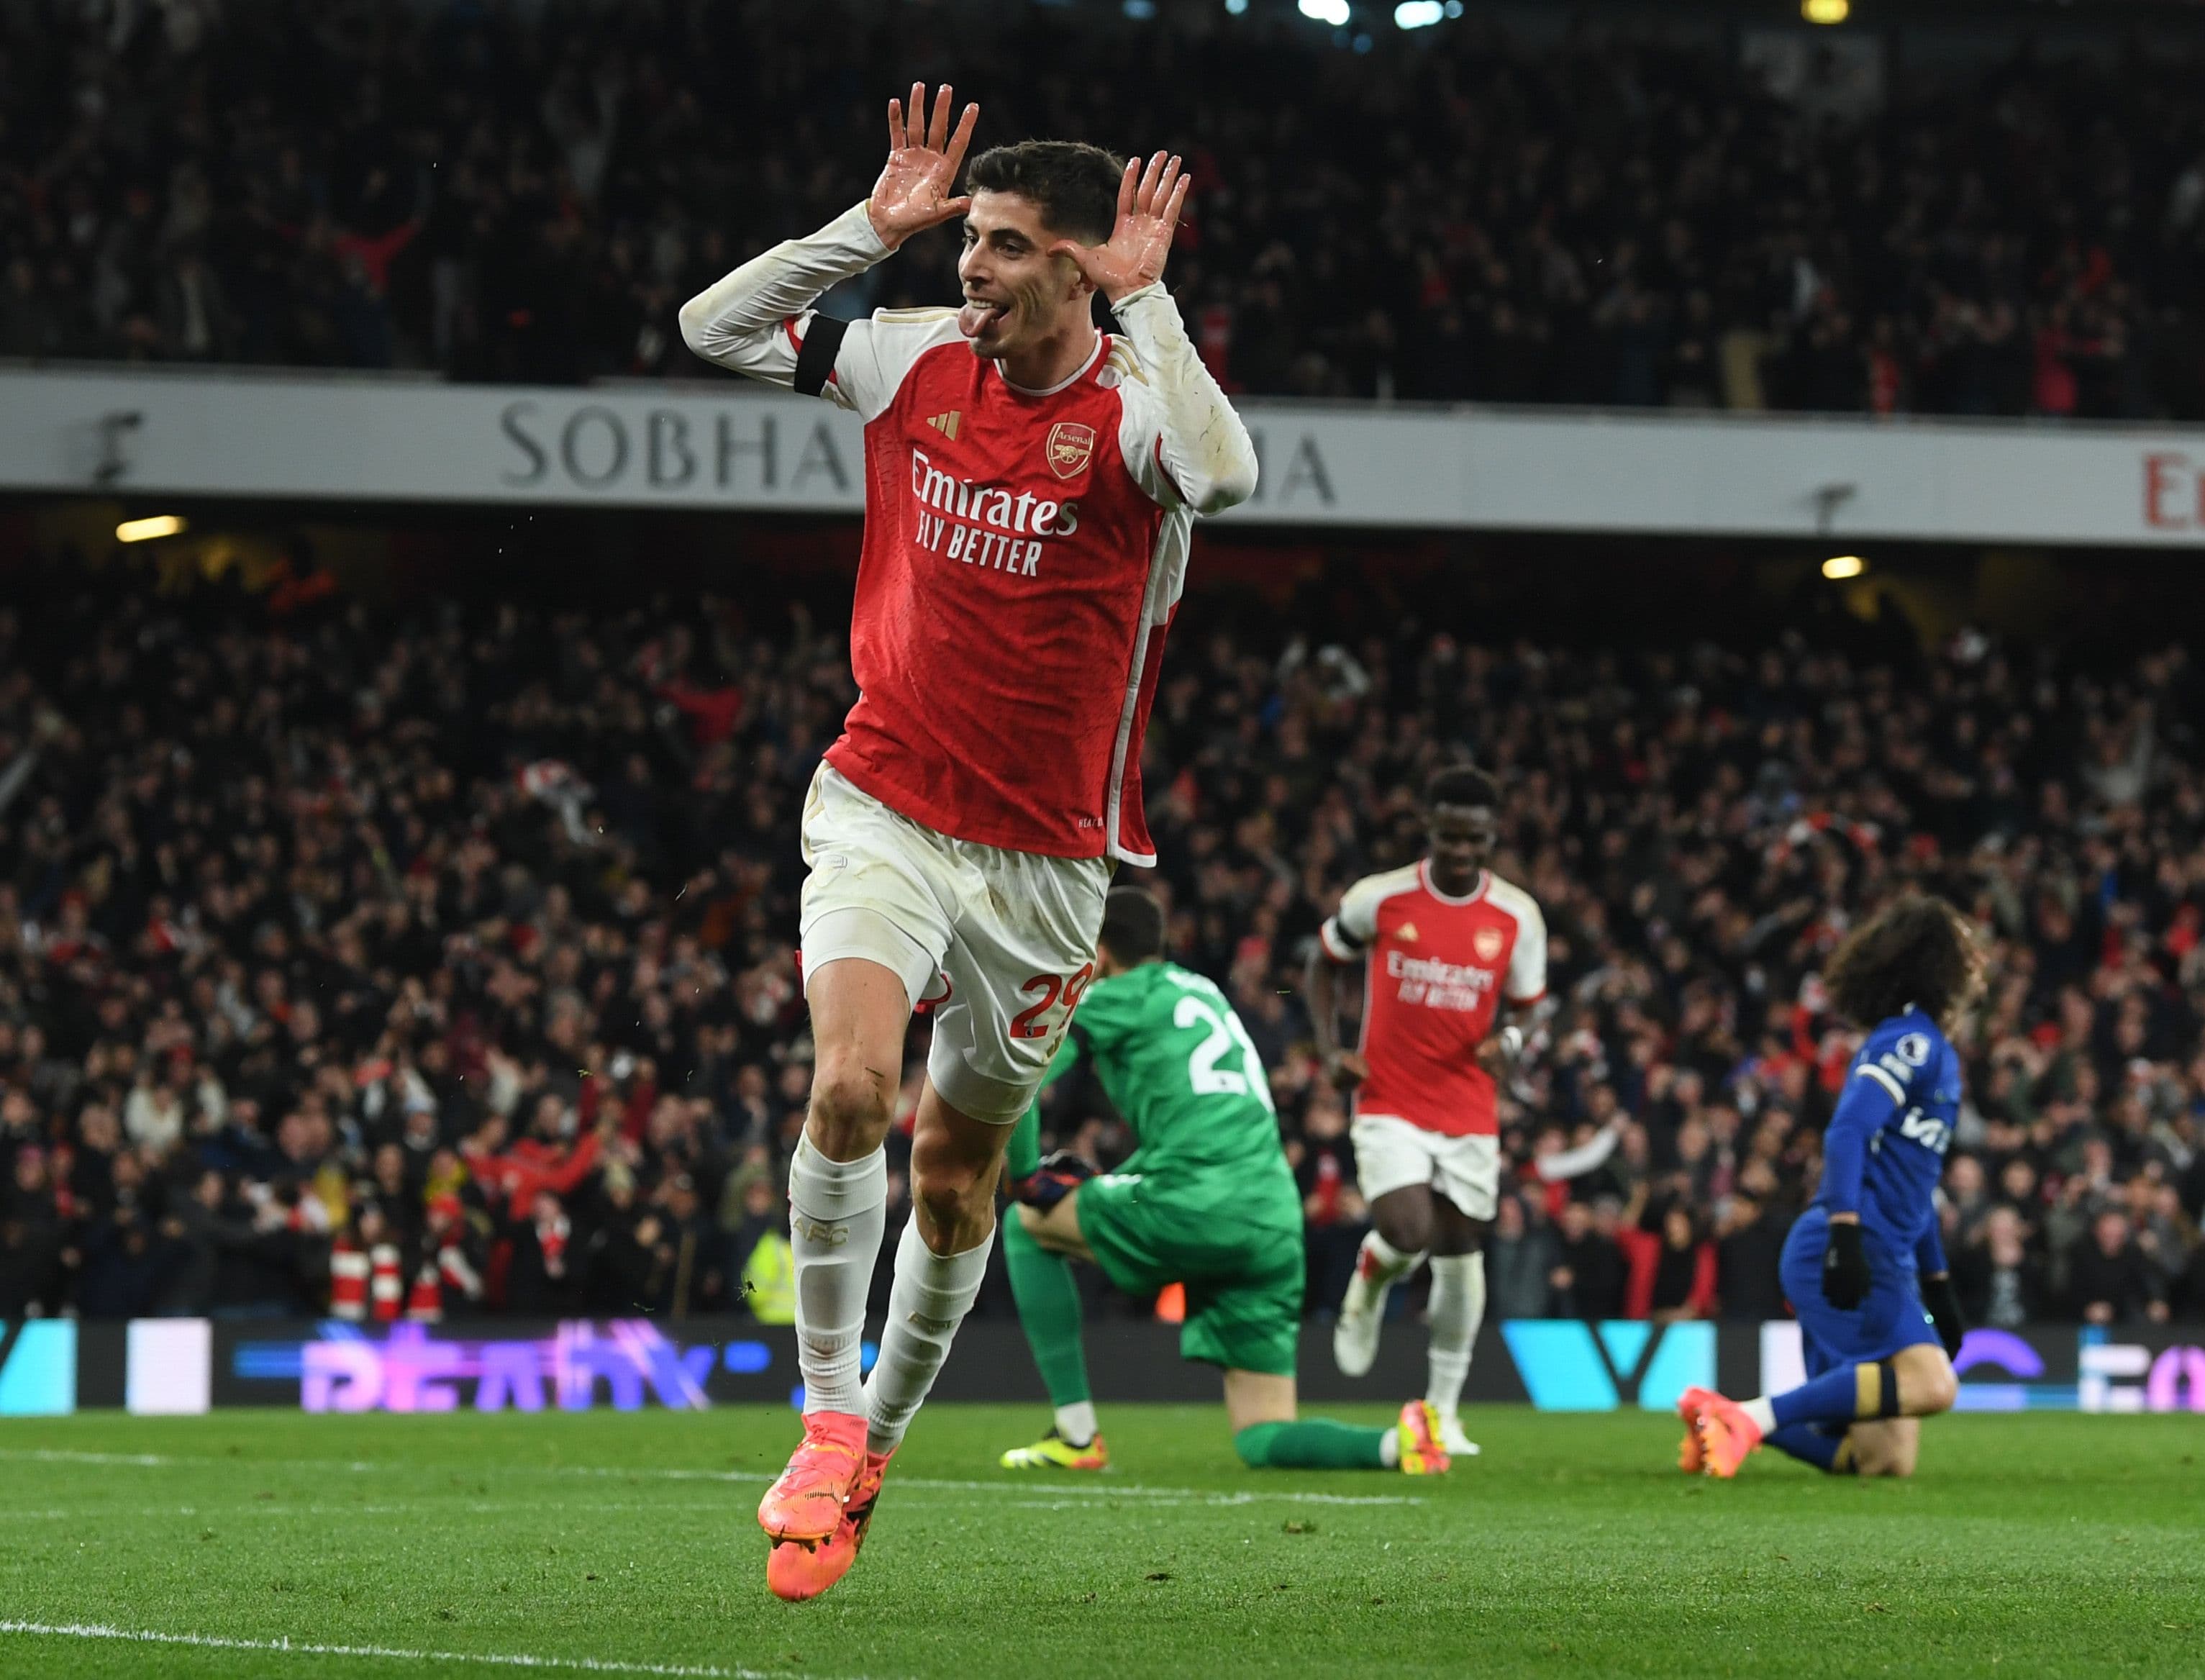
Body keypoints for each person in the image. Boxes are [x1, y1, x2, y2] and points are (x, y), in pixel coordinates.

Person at [678, 84, 1257, 1601]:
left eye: (1001, 244)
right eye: (968, 240)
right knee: (851, 1087)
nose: (970, 267)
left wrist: (1151, 305)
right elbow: (712, 329)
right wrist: (861, 232)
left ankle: (875, 1446)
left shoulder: (1134, 418)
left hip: (1048, 866)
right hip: (884, 798)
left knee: (955, 1173)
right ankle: (822, 1418)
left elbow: (1226, 475)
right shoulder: (913, 355)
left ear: (1076, 263)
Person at [996, 887, 1450, 1477]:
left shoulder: (1111, 994)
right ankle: (1397, 1445)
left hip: (1197, 1200)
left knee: (1025, 1225)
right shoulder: (1202, 990)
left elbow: (1023, 1072)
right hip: (1273, 1219)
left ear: (1099, 953)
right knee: (1262, 1434)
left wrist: (1026, 1177)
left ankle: (1076, 1434)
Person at [1685, 895, 1983, 1479]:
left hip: (1885, 1250)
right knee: (1934, 1385)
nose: (1978, 961)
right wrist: (1844, 1235)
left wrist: (1937, 1281)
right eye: (1965, 948)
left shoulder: (1930, 1047)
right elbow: (1847, 1131)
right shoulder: (1911, 1042)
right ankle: (1749, 1418)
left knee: (1883, 1460)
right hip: (1848, 1244)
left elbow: (1915, 1182)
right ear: (1939, 965)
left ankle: (1717, 1413)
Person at [1304, 764, 1547, 1458]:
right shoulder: (1379, 898)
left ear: (1492, 836)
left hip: (1467, 1104)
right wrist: (1329, 1049)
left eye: (1475, 838)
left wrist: (1508, 1042)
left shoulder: (1517, 916)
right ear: (1430, 830)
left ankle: (1442, 1412)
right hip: (1389, 1095)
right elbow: (1321, 964)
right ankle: (1370, 1278)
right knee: (1406, 1228)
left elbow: (1530, 1009)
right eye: (1450, 836)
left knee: (1462, 1252)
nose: (1462, 849)